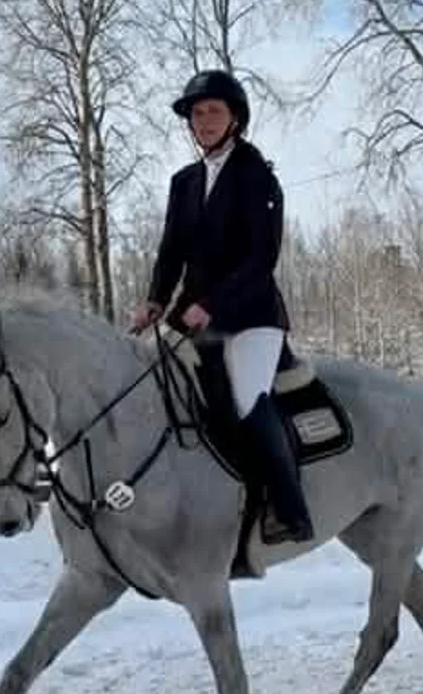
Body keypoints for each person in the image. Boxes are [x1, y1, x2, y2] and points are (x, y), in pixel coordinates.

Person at [130, 69, 314, 544]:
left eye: (214, 111)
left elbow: (261, 259)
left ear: (235, 118)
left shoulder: (258, 177)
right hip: (193, 316)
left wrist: (211, 303)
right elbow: (171, 251)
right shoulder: (183, 181)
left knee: (247, 399)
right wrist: (155, 299)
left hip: (251, 316)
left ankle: (288, 507)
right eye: (196, 113)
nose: (204, 120)